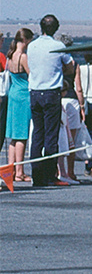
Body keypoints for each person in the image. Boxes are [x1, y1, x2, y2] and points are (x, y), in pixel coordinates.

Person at [28, 15, 75, 187]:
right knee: (51, 135)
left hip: (35, 92)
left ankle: (36, 175)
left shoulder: (32, 46)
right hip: (51, 93)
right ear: (55, 28)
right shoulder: (58, 46)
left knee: (37, 134)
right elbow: (70, 66)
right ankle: (49, 175)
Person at [6, 29, 33, 184]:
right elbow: (31, 76)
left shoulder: (10, 56)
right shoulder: (23, 57)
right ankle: (20, 172)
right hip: (23, 95)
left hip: (13, 94)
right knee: (22, 134)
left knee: (13, 135)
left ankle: (10, 169)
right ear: (26, 40)